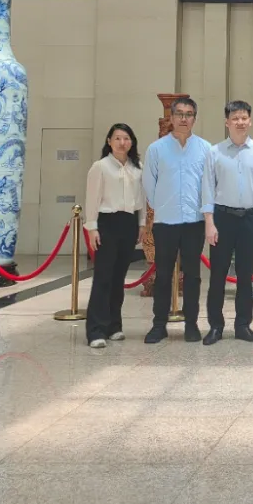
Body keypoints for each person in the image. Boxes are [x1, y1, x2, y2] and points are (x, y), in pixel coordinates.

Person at [199, 100, 253, 346]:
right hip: (222, 218)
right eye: (235, 118)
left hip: (250, 218)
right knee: (218, 274)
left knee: (245, 274)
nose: (240, 122)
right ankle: (215, 326)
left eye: (244, 118)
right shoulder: (214, 152)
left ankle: (243, 325)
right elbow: (207, 188)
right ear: (227, 122)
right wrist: (209, 222)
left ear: (250, 121)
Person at [142, 98, 211, 344]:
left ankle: (191, 324)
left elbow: (209, 185)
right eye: (179, 114)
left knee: (192, 276)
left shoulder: (205, 149)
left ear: (195, 118)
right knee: (163, 275)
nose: (184, 118)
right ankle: (158, 325)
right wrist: (162, 205)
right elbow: (149, 184)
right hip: (166, 221)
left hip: (194, 221)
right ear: (171, 118)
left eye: (189, 114)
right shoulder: (156, 149)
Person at [84, 123, 146, 349]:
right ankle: (96, 330)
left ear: (132, 142)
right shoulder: (100, 167)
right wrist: (92, 228)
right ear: (109, 141)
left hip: (129, 223)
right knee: (103, 277)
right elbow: (92, 198)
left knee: (119, 278)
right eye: (117, 138)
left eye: (126, 138)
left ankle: (114, 326)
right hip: (106, 223)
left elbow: (142, 198)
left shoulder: (137, 167)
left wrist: (141, 224)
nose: (122, 142)